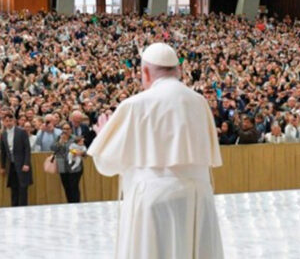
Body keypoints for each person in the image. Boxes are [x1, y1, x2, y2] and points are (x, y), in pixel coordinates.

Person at [88, 43, 224, 259]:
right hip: (198, 198)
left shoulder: (135, 104)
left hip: (154, 199)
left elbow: (107, 165)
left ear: (146, 72)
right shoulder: (199, 102)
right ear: (178, 71)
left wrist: (102, 135)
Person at [0, 113, 32, 207]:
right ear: (4, 122)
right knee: (13, 187)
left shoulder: (21, 132)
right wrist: (2, 166)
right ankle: (14, 207)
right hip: (11, 165)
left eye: (10, 121)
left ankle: (23, 208)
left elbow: (27, 149)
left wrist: (26, 163)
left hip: (22, 164)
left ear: (14, 121)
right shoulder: (3, 134)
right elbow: (3, 152)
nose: (8, 123)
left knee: (23, 187)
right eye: (6, 121)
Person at [52, 128, 83, 203]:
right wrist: (60, 142)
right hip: (63, 167)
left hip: (75, 167)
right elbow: (53, 148)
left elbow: (83, 151)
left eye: (68, 129)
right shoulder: (59, 138)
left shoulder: (75, 138)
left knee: (74, 186)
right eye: (64, 129)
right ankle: (70, 203)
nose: (66, 131)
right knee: (67, 187)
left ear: (71, 130)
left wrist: (79, 152)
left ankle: (76, 203)